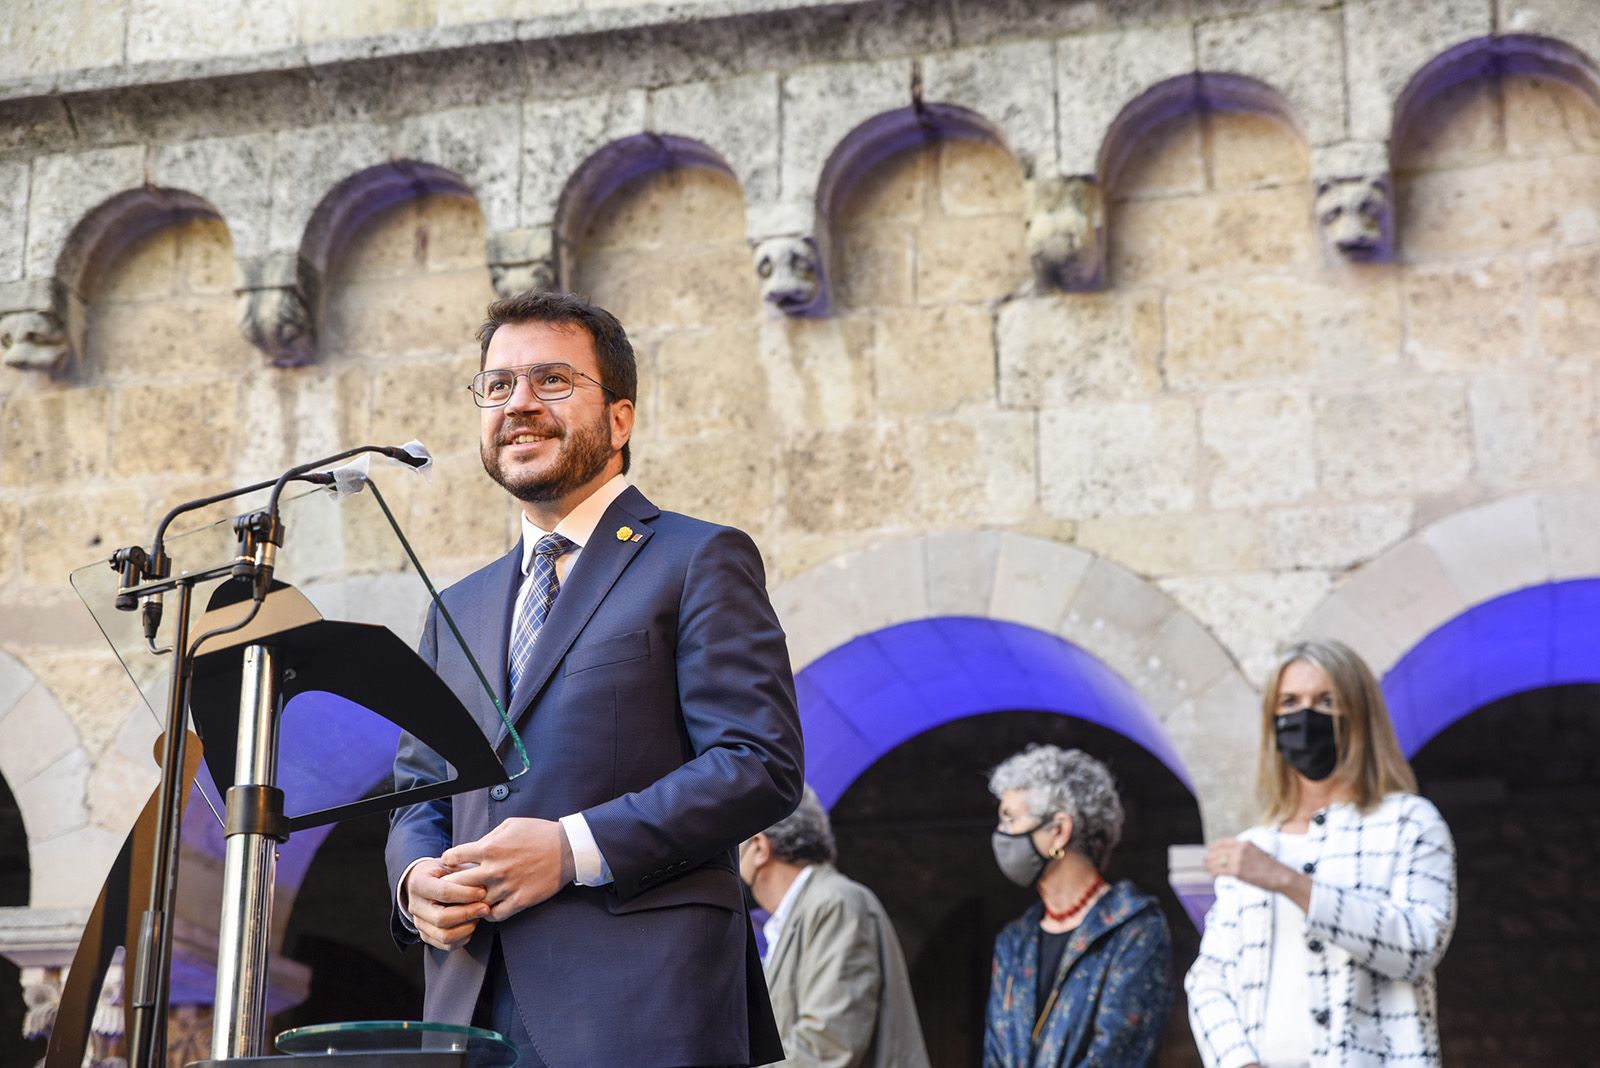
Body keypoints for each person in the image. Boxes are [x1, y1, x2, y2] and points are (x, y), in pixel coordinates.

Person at [384, 289, 805, 1068]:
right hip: (469, 1017)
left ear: (619, 419)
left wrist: (571, 848)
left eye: (551, 381)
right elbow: (418, 788)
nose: (519, 404)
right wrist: (414, 882)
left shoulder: (697, 559)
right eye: (498, 385)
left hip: (642, 1009)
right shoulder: (456, 608)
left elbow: (759, 763)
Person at [1185, 638, 1457, 1068]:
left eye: (1326, 701)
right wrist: (1238, 1061)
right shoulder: (1255, 845)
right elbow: (1209, 978)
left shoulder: (1409, 822)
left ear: (1358, 715)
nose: (1304, 716)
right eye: (1289, 702)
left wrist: (1288, 881)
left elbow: (1416, 946)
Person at [984, 745, 1173, 1067]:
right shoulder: (1014, 941)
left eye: (1011, 819)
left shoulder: (1135, 930)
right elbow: (996, 1053)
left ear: (1058, 831)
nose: (1001, 834)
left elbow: (1118, 1053)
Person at [739, 785, 930, 1068]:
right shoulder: (801, 912)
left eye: (734, 847)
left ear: (759, 847)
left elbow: (827, 1046)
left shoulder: (834, 903)